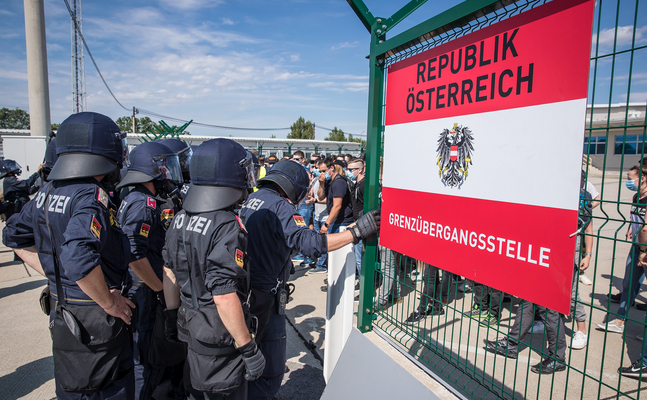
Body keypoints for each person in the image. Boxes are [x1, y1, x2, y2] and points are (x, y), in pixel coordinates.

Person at [3, 111, 135, 399]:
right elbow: (78, 257)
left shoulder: (48, 191)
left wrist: (57, 274)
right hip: (97, 320)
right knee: (105, 387)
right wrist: (108, 300)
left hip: (65, 312)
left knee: (73, 385)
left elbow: (14, 236)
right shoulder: (90, 195)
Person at [239, 160, 380, 400]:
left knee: (251, 358)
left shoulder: (254, 198)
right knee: (271, 369)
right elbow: (310, 244)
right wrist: (354, 233)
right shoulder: (281, 206)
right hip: (266, 295)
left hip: (248, 290)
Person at [162, 138, 265, 400]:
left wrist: (171, 316)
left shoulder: (180, 217)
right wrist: (248, 347)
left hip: (189, 326)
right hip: (219, 338)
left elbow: (170, 272)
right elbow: (223, 294)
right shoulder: (227, 225)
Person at [116, 141, 184, 399]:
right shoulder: (144, 204)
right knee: (146, 358)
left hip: (146, 286)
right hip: (145, 289)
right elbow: (134, 255)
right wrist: (158, 289)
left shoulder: (135, 197)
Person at [313, 159, 354, 274]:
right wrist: (321, 183)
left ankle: (338, 279)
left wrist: (326, 224)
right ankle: (334, 278)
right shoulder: (329, 181)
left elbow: (337, 206)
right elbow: (321, 197)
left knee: (338, 253)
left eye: (324, 171)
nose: (322, 173)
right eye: (320, 171)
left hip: (342, 221)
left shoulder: (339, 182)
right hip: (335, 221)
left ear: (331, 168)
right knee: (334, 254)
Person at [347, 158, 365, 280]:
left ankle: (363, 283)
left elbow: (368, 207)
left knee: (360, 258)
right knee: (357, 256)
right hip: (357, 222)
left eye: (351, 170)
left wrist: (358, 221)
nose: (349, 172)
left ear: (360, 170)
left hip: (361, 224)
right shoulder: (356, 184)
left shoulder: (364, 185)